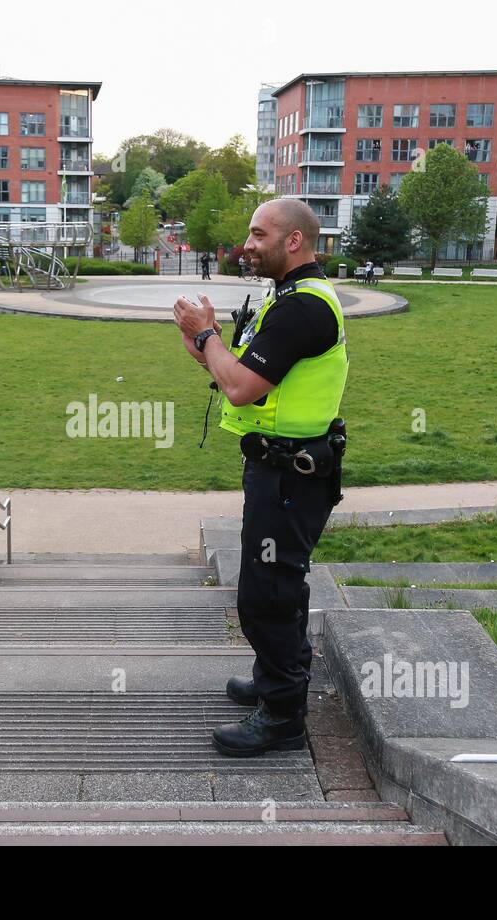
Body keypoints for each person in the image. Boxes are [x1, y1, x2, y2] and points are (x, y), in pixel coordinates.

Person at [173, 199, 348, 757]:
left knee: (266, 594)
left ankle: (282, 718)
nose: (246, 243)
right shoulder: (290, 297)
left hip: (292, 477)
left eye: (258, 233)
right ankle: (279, 678)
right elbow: (244, 376)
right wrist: (206, 346)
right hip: (282, 470)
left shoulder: (303, 308)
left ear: (293, 241)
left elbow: (242, 389)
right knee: (279, 585)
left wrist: (207, 337)